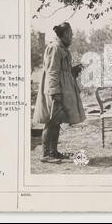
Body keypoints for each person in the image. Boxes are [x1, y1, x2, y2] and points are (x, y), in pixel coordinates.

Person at [33, 22, 86, 164]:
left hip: (61, 89)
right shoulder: (54, 48)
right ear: (65, 34)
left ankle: (53, 152)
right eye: (71, 34)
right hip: (55, 91)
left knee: (57, 121)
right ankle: (46, 154)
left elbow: (62, 71)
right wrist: (55, 93)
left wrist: (73, 70)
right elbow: (52, 72)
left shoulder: (61, 48)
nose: (72, 37)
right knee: (51, 122)